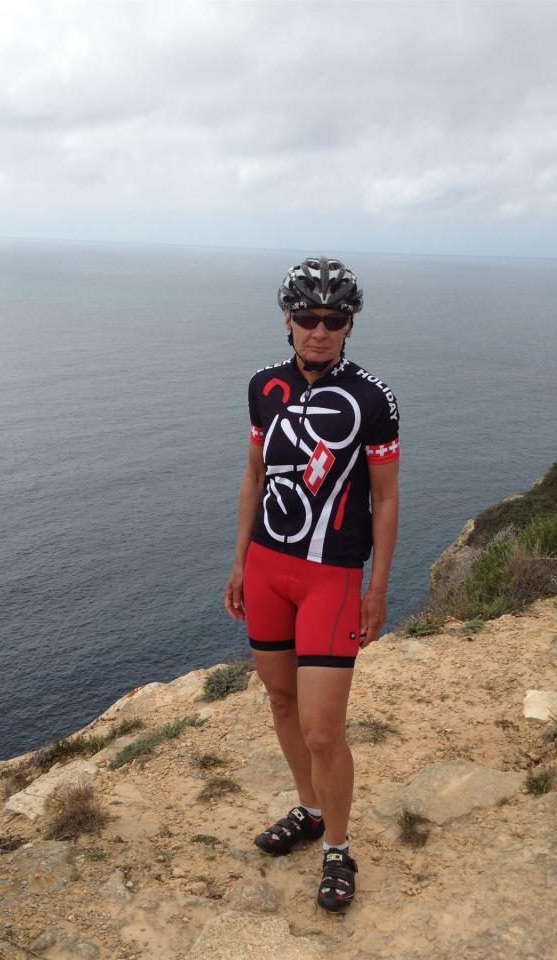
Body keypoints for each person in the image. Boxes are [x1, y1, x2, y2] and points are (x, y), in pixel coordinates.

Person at [224, 256, 400, 913]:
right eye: (307, 317)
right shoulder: (262, 387)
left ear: (350, 325)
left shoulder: (373, 399)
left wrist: (377, 587)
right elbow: (253, 475)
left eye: (334, 319)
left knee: (324, 730)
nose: (319, 330)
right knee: (281, 701)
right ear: (288, 321)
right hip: (267, 569)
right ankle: (310, 809)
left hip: (333, 577)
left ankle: (338, 848)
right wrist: (239, 563)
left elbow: (386, 498)